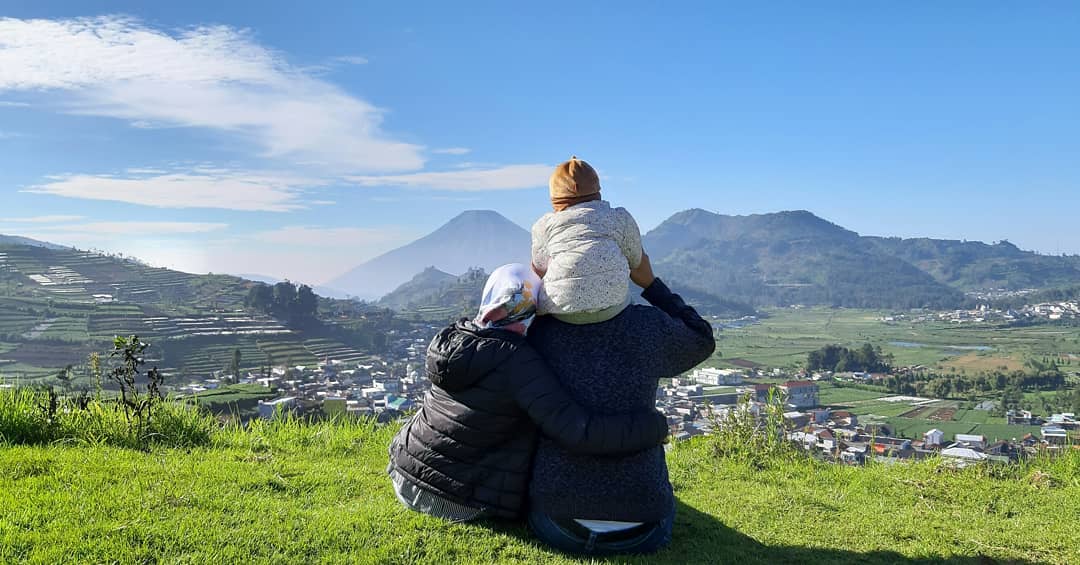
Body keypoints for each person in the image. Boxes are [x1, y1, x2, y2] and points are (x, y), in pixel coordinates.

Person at [387, 263, 670, 522]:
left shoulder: (455, 338)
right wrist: (652, 426)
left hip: (404, 473)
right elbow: (577, 431)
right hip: (452, 500)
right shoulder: (516, 360)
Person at [527, 252, 716, 555]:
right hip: (642, 530)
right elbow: (701, 337)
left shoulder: (542, 330)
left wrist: (535, 285)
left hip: (557, 522)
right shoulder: (648, 327)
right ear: (620, 274)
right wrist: (651, 283)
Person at [531, 156, 643, 324]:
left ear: (555, 198)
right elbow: (636, 261)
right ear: (597, 191)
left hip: (560, 313)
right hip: (613, 308)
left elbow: (539, 268)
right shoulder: (619, 218)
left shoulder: (544, 226)